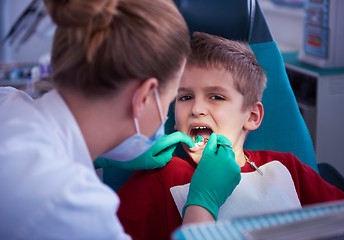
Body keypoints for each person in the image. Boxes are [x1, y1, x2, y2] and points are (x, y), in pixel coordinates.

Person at [0, 1, 240, 239]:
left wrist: (103, 156)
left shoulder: (7, 100)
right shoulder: (70, 201)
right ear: (144, 97)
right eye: (177, 98)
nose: (197, 109)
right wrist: (202, 206)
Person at [116, 32, 344, 240]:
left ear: (252, 116)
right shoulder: (161, 177)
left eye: (216, 97)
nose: (197, 109)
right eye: (185, 97)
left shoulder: (286, 168)